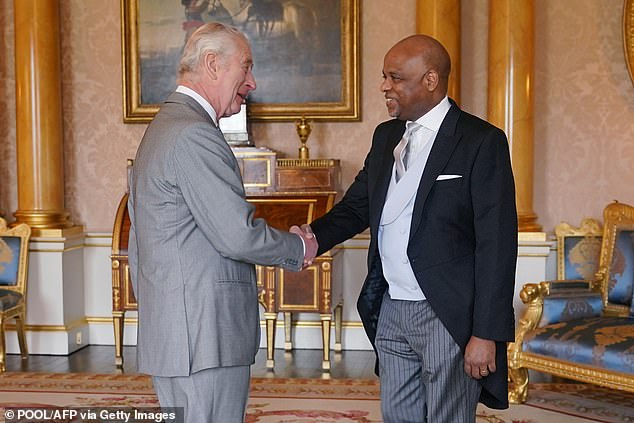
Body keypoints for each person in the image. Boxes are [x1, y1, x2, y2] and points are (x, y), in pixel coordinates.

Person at [303, 34, 518, 422]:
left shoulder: (481, 141)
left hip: (448, 314)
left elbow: (497, 245)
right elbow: (355, 208)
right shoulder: (386, 136)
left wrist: (486, 333)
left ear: (431, 80)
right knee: (397, 415)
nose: (385, 86)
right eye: (385, 76)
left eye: (396, 77)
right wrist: (308, 240)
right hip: (390, 307)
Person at [127, 22, 317, 423]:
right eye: (245, 68)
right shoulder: (194, 134)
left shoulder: (161, 129)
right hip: (204, 333)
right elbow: (237, 236)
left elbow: (140, 243)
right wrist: (299, 248)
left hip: (177, 328)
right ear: (212, 64)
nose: (252, 81)